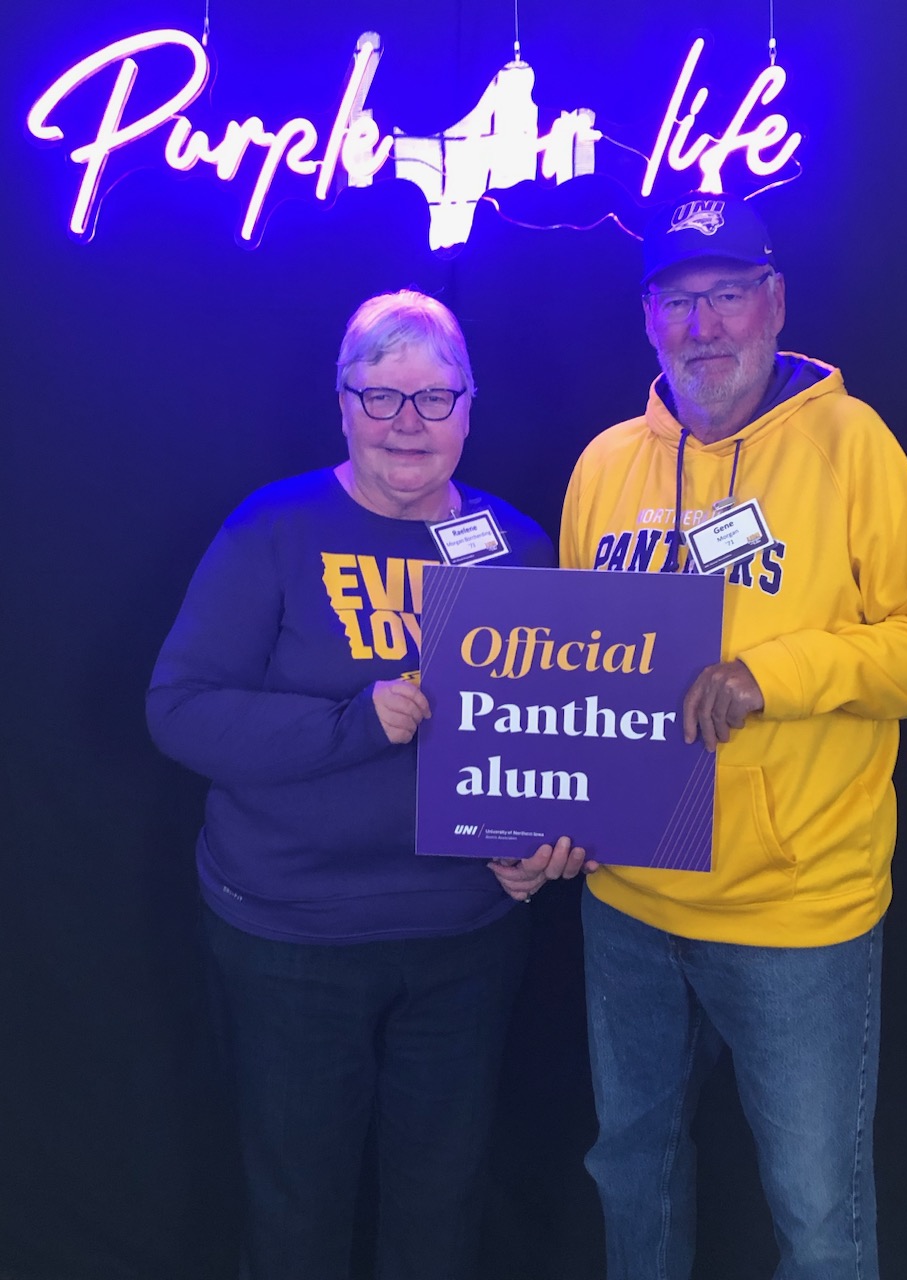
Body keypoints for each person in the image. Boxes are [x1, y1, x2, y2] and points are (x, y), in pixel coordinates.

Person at [558, 194, 907, 1279]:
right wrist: (546, 812)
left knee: (818, 1214)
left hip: (796, 913)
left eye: (729, 295)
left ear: (774, 304)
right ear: (649, 318)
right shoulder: (603, 466)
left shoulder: (850, 442)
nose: (706, 327)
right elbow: (568, 676)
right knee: (630, 1173)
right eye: (680, 301)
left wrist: (776, 676)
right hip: (627, 906)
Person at [146, 290, 585, 1280]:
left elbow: (553, 739)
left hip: (464, 939)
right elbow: (178, 708)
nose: (406, 425)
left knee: (441, 1207)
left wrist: (540, 845)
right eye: (379, 397)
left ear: (471, 408)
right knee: (298, 1211)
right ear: (341, 405)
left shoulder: (517, 545)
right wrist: (353, 723)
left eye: (433, 399)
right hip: (293, 938)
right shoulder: (275, 527)